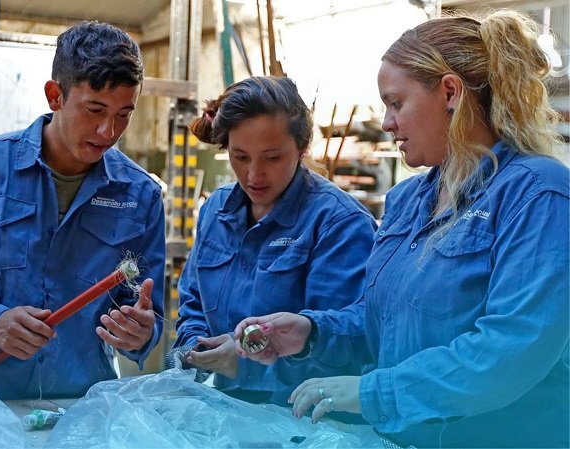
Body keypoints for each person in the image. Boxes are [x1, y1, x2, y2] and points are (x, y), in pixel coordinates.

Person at [235, 10, 569, 448]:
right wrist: (312, 332)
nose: (387, 122)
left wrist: (376, 392)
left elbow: (513, 348)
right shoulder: (410, 200)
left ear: (449, 92)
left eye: (396, 103)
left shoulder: (538, 193)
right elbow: (388, 323)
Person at [0, 21, 165, 403]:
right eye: (94, 109)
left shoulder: (140, 195)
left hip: (79, 407)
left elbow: (147, 312)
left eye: (124, 114)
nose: (108, 130)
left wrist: (141, 334)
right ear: (54, 95)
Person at [168, 76, 376, 405]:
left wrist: (247, 366)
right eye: (240, 156)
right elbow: (192, 302)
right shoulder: (216, 210)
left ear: (302, 148)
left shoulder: (338, 223)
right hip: (224, 408)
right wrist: (196, 345)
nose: (254, 174)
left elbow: (347, 343)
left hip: (304, 419)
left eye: (272, 157)